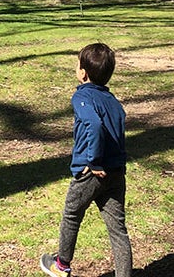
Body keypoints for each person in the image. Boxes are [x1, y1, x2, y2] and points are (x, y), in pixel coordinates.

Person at [40, 42, 133, 277]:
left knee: (72, 214)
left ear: (83, 72)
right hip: (116, 173)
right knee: (117, 230)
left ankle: (61, 265)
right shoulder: (113, 101)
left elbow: (93, 124)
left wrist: (93, 161)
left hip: (91, 173)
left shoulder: (82, 97)